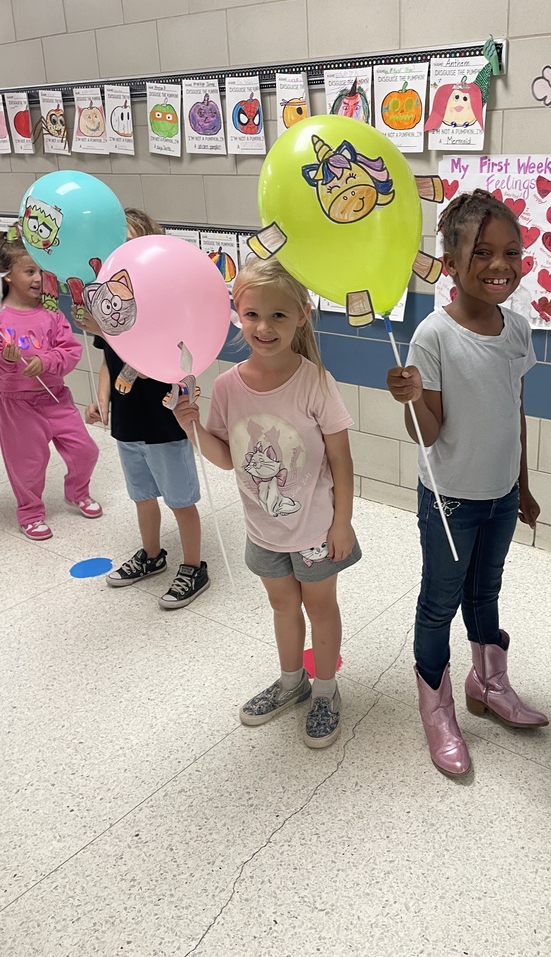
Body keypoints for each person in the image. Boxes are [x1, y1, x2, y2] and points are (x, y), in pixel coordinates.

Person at [387, 189, 548, 778]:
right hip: (452, 497)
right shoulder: (433, 335)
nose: (499, 264)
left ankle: (489, 682)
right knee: (439, 603)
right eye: (482, 252)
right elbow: (427, 433)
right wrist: (409, 400)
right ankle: (437, 710)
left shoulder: (519, 329)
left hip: (502, 494)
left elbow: (515, 408)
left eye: (511, 250)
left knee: (487, 594)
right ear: (451, 262)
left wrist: (523, 485)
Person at [172, 257, 360, 749]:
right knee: (282, 605)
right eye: (252, 314)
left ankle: (324, 689)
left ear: (301, 316)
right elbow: (227, 458)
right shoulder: (228, 386)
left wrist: (343, 523)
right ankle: (291, 681)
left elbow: (341, 460)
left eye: (278, 315)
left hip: (317, 530)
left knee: (320, 607)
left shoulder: (315, 381)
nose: (264, 326)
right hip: (263, 531)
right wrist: (188, 426)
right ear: (236, 313)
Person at [82, 209, 208, 609]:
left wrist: (102, 328)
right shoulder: (114, 306)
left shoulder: (161, 305)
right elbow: (109, 361)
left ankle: (193, 566)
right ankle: (152, 555)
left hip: (164, 417)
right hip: (128, 418)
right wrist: (102, 398)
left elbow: (157, 351)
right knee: (141, 495)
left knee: (180, 500)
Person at [0, 231, 101, 540]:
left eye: (41, 271)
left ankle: (77, 492)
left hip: (56, 399)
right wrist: (7, 360)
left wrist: (45, 362)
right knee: (27, 464)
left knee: (86, 450)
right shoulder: (2, 320)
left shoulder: (52, 315)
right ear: (7, 277)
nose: (37, 278)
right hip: (16, 405)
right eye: (29, 271)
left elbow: (71, 352)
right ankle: (30, 513)